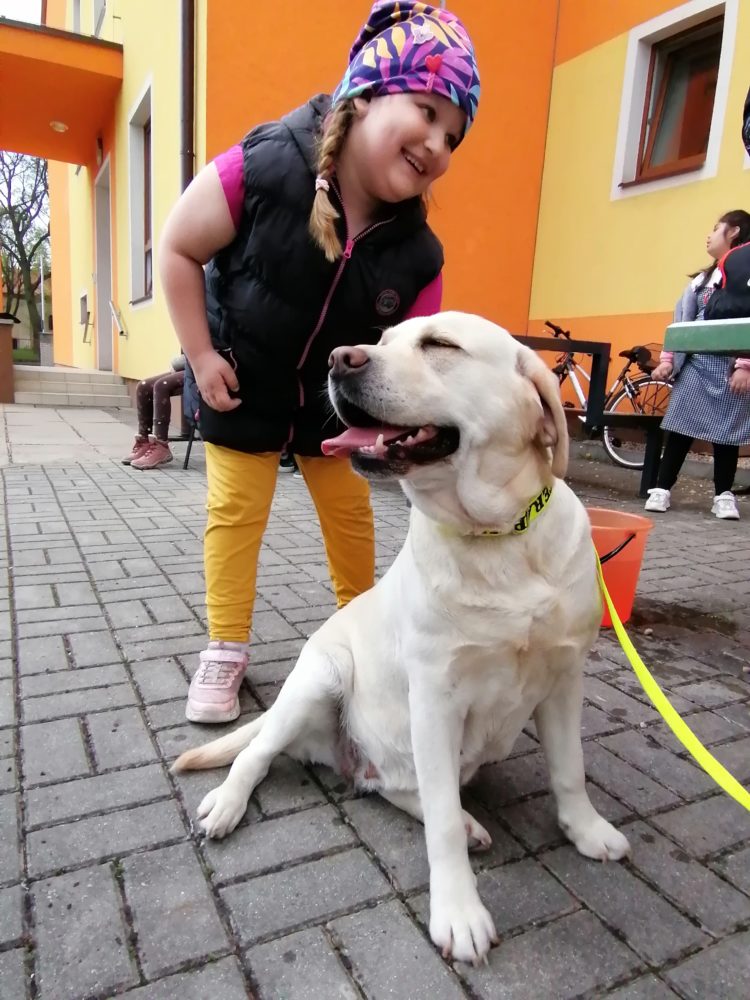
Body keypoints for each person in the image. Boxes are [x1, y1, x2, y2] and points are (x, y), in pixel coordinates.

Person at [158, 1, 480, 723]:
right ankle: (226, 646)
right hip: (238, 381)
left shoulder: (418, 253)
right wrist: (200, 356)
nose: (437, 144)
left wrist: (398, 429)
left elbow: (412, 361)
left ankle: (364, 639)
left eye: (453, 136)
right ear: (364, 95)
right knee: (235, 513)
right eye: (427, 111)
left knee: (350, 516)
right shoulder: (266, 166)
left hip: (335, 407)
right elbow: (177, 247)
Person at [646, 210, 750, 519]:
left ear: (734, 231)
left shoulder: (745, 278)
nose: (709, 235)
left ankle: (723, 495)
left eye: (716, 228)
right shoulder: (701, 281)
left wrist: (745, 365)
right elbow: (682, 322)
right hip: (696, 365)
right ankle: (661, 488)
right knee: (680, 428)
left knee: (726, 435)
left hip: (730, 368)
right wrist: (668, 360)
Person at [123, 356, 186, 470]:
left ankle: (161, 445)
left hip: (207, 370)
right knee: (143, 386)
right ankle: (145, 441)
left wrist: (178, 363)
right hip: (190, 366)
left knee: (162, 385)